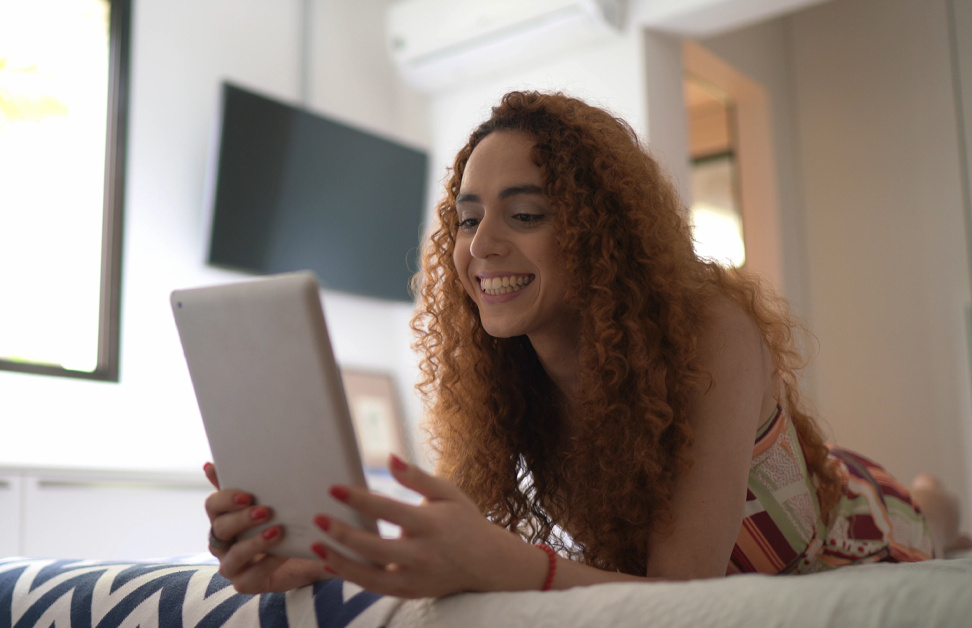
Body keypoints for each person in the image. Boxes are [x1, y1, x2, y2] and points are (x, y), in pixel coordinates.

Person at [202, 91, 968, 597]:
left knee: (932, 511)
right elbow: (452, 541)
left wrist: (511, 566)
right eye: (469, 219)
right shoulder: (505, 377)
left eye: (525, 215)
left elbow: (680, 597)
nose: (481, 246)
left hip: (840, 527)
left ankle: (935, 498)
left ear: (602, 238)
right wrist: (318, 558)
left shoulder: (712, 332)